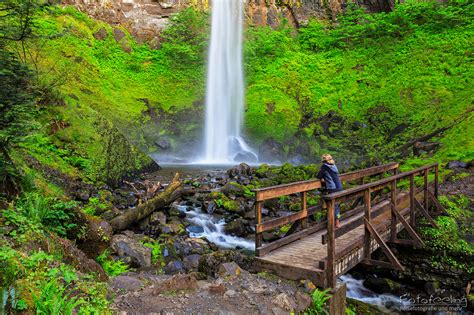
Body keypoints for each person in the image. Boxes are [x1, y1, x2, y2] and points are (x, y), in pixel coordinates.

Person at [317, 154, 343, 228]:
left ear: (323, 160)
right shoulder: (334, 165)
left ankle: (336, 223)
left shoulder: (324, 166)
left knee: (334, 205)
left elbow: (318, 176)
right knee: (337, 204)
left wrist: (323, 179)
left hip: (332, 188)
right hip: (340, 187)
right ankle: (336, 221)